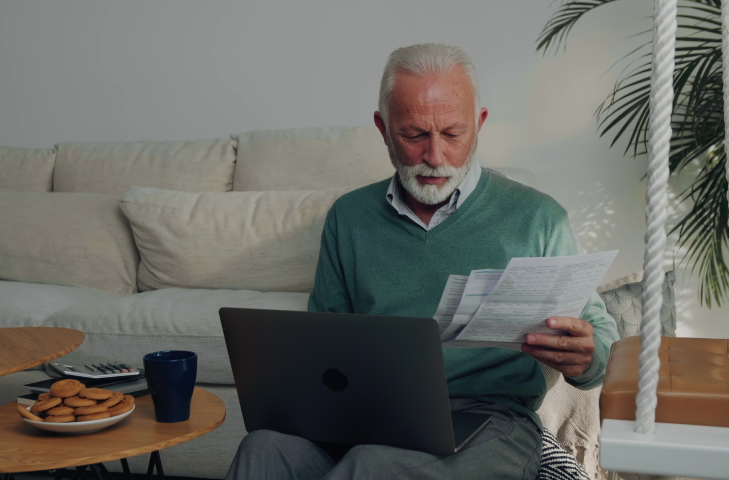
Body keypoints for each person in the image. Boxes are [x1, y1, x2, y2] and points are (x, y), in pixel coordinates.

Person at [224, 43, 619, 480]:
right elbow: (322, 346)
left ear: (479, 124)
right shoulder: (349, 217)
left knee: (374, 466)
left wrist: (586, 356)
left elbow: (599, 338)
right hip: (371, 416)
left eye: (453, 134)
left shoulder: (537, 219)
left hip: (490, 421)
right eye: (414, 135)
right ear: (383, 127)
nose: (435, 156)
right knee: (263, 448)